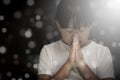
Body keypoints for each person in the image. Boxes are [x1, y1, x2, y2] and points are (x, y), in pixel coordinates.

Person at [38, 0, 115, 80]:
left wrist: (81, 64)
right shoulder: (48, 51)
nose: (75, 36)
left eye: (82, 29)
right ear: (59, 25)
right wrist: (69, 63)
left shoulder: (102, 52)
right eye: (69, 30)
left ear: (91, 24)